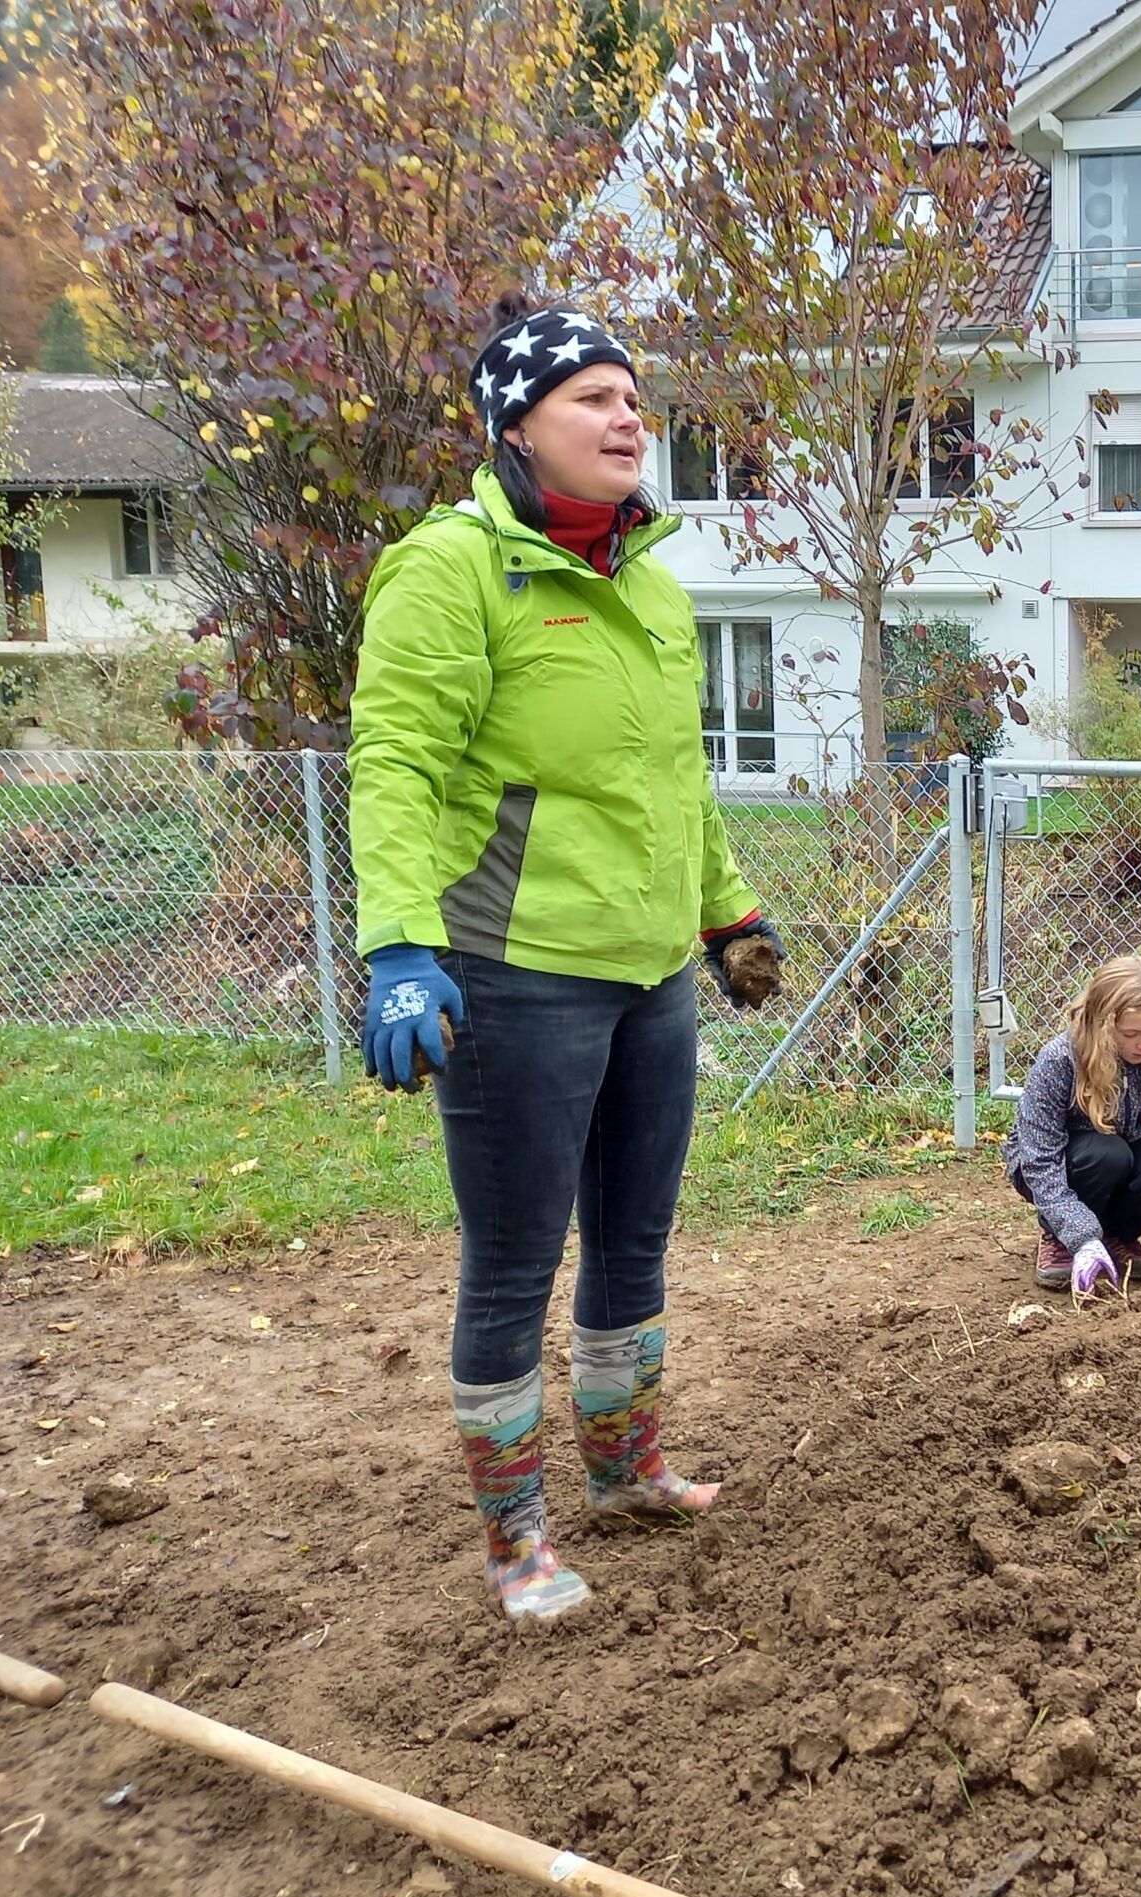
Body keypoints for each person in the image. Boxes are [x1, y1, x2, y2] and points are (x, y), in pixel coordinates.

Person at [348, 292, 783, 1622]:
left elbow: (676, 782)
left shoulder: (647, 578)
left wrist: (727, 917)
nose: (626, 414)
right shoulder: (451, 567)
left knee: (634, 1242)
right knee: (515, 1258)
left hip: (647, 971)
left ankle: (627, 1472)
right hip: (515, 970)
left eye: (633, 395)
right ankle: (514, 1538)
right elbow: (399, 767)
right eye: (593, 396)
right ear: (516, 426)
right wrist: (403, 948)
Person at [1005, 954, 1141, 1296]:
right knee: (1108, 1153)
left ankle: (1116, 1236)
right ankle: (1061, 1238)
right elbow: (1039, 1161)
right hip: (1062, 1165)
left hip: (1126, 1154)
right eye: (1132, 1033)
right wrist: (1079, 1234)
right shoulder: (1060, 1060)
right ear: (1103, 1024)